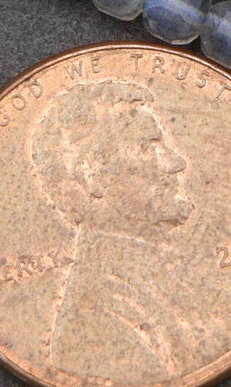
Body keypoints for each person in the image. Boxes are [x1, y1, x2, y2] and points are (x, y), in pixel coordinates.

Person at [30, 80, 205, 381]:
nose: (176, 163)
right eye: (150, 147)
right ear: (92, 175)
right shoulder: (97, 325)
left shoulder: (173, 281)